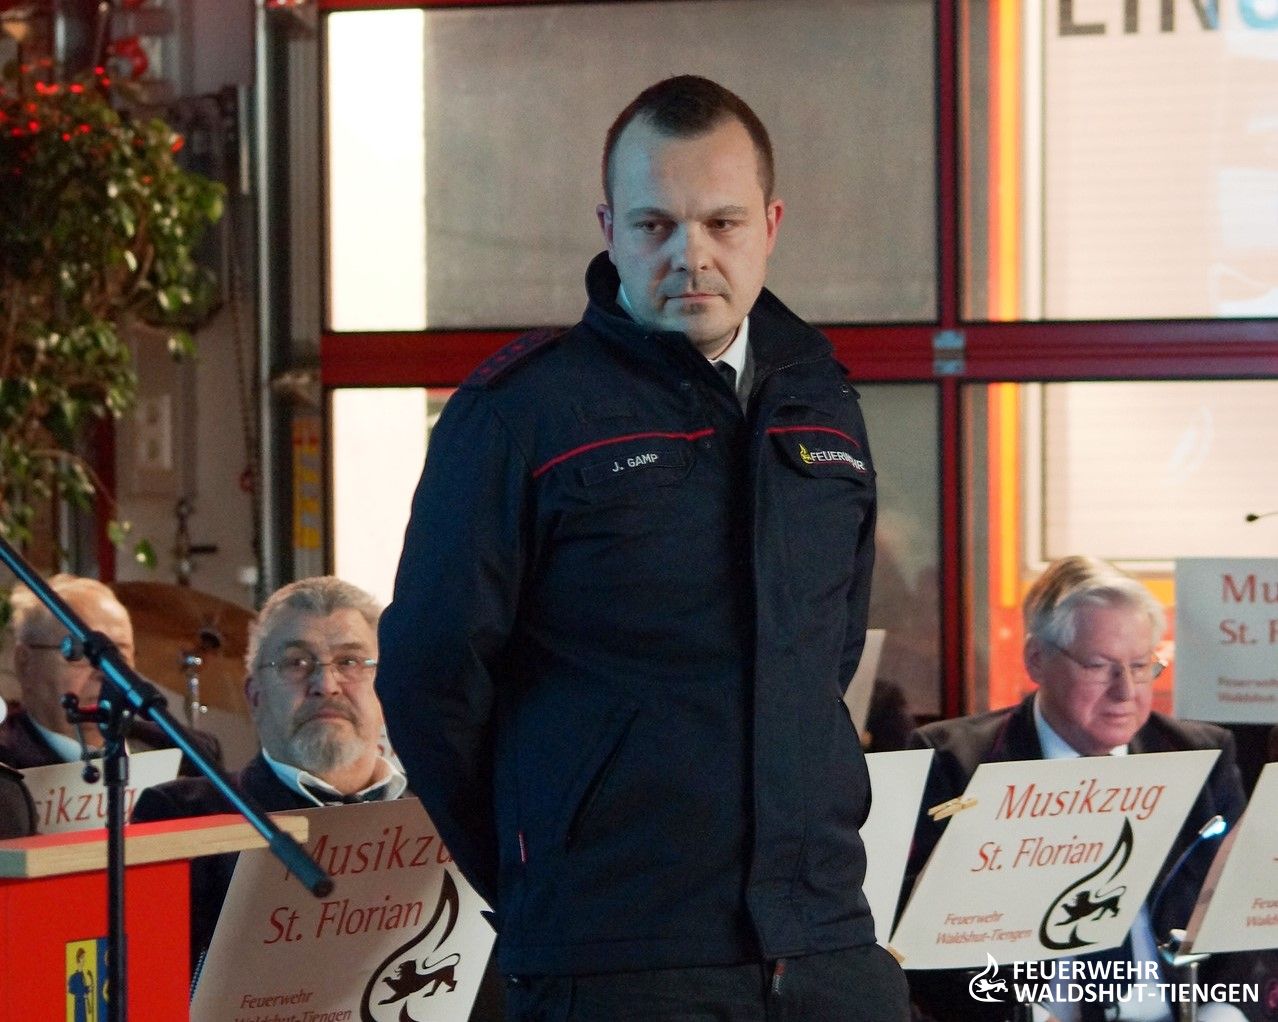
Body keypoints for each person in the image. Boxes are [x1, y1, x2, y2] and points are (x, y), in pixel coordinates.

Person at [376, 75, 907, 1021]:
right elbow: (429, 679)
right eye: (654, 225)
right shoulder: (522, 414)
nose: (689, 255)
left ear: (771, 225)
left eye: (722, 223)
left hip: (824, 936)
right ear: (609, 229)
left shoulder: (823, 403)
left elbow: (825, 653)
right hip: (614, 951)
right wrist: (541, 872)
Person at [904, 555, 1248, 1022]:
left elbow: (1241, 920)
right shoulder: (955, 764)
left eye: (1142, 666)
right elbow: (921, 945)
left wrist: (1224, 1011)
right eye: (1099, 666)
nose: (1126, 691)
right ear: (1036, 660)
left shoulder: (1200, 755)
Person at [131, 576, 407, 971]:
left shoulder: (440, 811)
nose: (326, 685)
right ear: (255, 696)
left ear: (386, 685)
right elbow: (153, 981)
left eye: (349, 661)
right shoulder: (180, 817)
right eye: (296, 663)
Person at [2, 574, 220, 774]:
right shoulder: (5, 764)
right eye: (82, 654)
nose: (104, 673)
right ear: (24, 663)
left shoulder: (188, 754)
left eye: (119, 656)